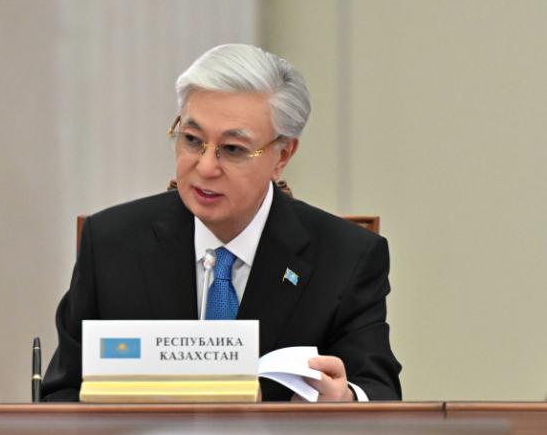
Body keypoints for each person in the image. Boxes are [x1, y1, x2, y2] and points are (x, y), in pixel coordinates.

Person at [42, 44, 401, 402]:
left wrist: (345, 400)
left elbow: (378, 390)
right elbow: (62, 393)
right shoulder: (112, 244)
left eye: (232, 149)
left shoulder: (346, 257)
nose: (206, 167)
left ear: (283, 155)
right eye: (192, 140)